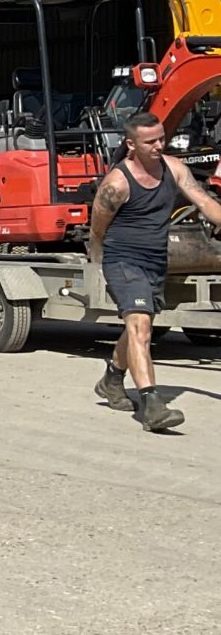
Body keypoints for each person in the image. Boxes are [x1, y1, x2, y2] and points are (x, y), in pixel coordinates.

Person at [89, 111, 221, 431]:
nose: (158, 145)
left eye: (161, 138)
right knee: (141, 327)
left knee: (139, 325)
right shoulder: (117, 183)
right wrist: (97, 257)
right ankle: (151, 405)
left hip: (155, 262)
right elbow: (98, 225)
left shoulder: (174, 169)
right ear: (131, 144)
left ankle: (112, 380)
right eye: (150, 141)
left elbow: (204, 201)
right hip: (123, 260)